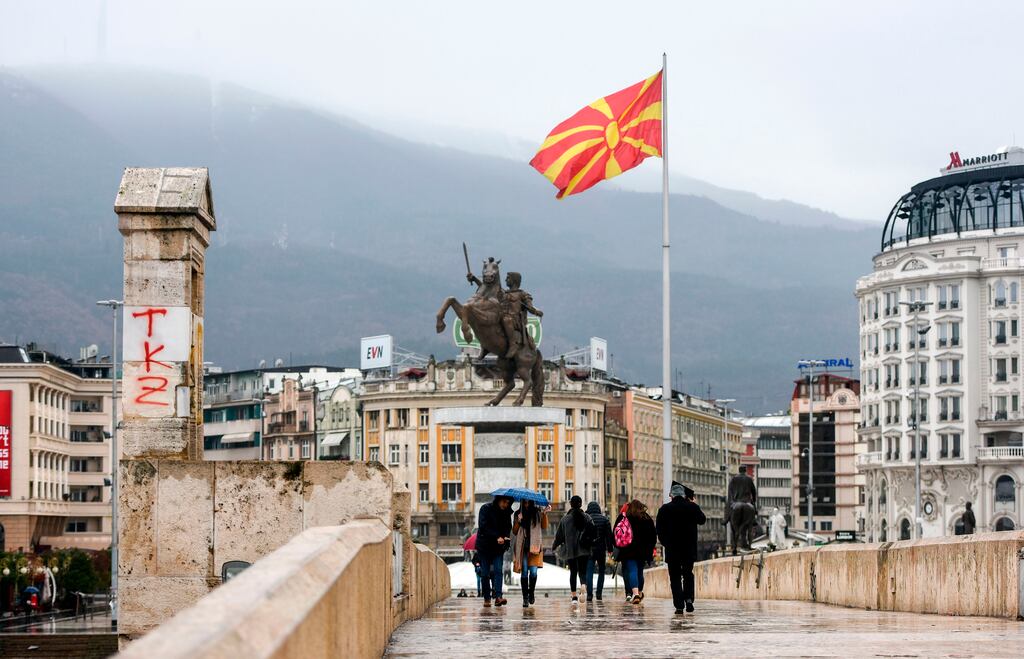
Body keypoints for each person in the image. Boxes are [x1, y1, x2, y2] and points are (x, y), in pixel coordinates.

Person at [656, 482, 707, 614]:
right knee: (688, 574)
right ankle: (689, 599)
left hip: (672, 550)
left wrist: (666, 542)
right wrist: (692, 503)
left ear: (671, 496)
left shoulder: (664, 509)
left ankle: (679, 605)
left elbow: (659, 530)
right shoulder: (692, 507)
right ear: (684, 496)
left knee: (675, 577)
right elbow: (702, 520)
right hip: (688, 549)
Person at [552, 495, 596, 604]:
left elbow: (559, 536)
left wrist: (554, 546)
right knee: (582, 572)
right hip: (584, 550)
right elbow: (594, 532)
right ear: (581, 504)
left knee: (573, 572)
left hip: (570, 550)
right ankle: (583, 585)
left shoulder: (565, 519)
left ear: (570, 505)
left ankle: (574, 597)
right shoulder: (587, 517)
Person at [614, 499, 656, 604]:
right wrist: (650, 548)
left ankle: (635, 594)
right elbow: (653, 535)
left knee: (632, 570)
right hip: (642, 550)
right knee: (639, 571)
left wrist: (617, 546)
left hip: (627, 549)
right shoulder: (646, 518)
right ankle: (640, 592)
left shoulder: (624, 517)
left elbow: (615, 532)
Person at [476, 494, 514, 607]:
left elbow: (508, 528)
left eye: (507, 503)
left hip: (498, 548)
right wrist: (497, 536)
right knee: (485, 574)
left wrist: (506, 537)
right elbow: (483, 526)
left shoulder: (506, 513)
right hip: (484, 546)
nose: (505, 504)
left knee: (498, 571)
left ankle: (498, 597)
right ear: (498, 500)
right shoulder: (485, 509)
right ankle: (487, 598)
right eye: (504, 502)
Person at [512, 499, 549, 607]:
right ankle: (525, 598)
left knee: (533, 573)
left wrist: (545, 514)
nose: (527, 504)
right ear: (522, 502)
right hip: (522, 547)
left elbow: (544, 526)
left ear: (532, 502)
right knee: (524, 573)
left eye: (529, 502)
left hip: (534, 547)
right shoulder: (518, 514)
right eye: (525, 502)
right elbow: (514, 531)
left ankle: (531, 592)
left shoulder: (537, 513)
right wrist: (518, 521)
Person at [499, 272, 542, 359]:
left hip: (515, 321)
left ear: (514, 280)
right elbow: (489, 290)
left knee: (506, 320)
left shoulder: (522, 294)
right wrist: (474, 279)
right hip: (502, 318)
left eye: (508, 278)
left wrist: (536, 311)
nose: (505, 280)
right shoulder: (503, 293)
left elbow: (530, 307)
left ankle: (513, 344)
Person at [584, 501, 613, 602]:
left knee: (589, 572)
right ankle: (599, 593)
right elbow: (609, 536)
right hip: (601, 549)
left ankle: (589, 594)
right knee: (601, 571)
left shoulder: (586, 519)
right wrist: (610, 549)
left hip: (589, 550)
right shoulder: (605, 519)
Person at [727, 465, 758, 551]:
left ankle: (734, 547)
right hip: (747, 501)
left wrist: (732, 501)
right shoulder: (749, 478)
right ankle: (749, 545)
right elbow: (753, 491)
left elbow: (730, 491)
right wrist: (754, 502)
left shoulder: (733, 479)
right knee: (750, 526)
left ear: (739, 470)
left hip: (736, 502)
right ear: (745, 470)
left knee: (733, 522)